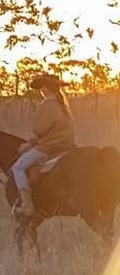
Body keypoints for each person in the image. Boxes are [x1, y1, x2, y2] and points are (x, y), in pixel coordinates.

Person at [10, 73, 76, 217]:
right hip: (66, 145)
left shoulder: (47, 105)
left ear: (45, 88)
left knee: (18, 167)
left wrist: (28, 145)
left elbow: (39, 130)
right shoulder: (63, 106)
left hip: (48, 146)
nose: (40, 90)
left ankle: (27, 205)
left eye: (41, 87)